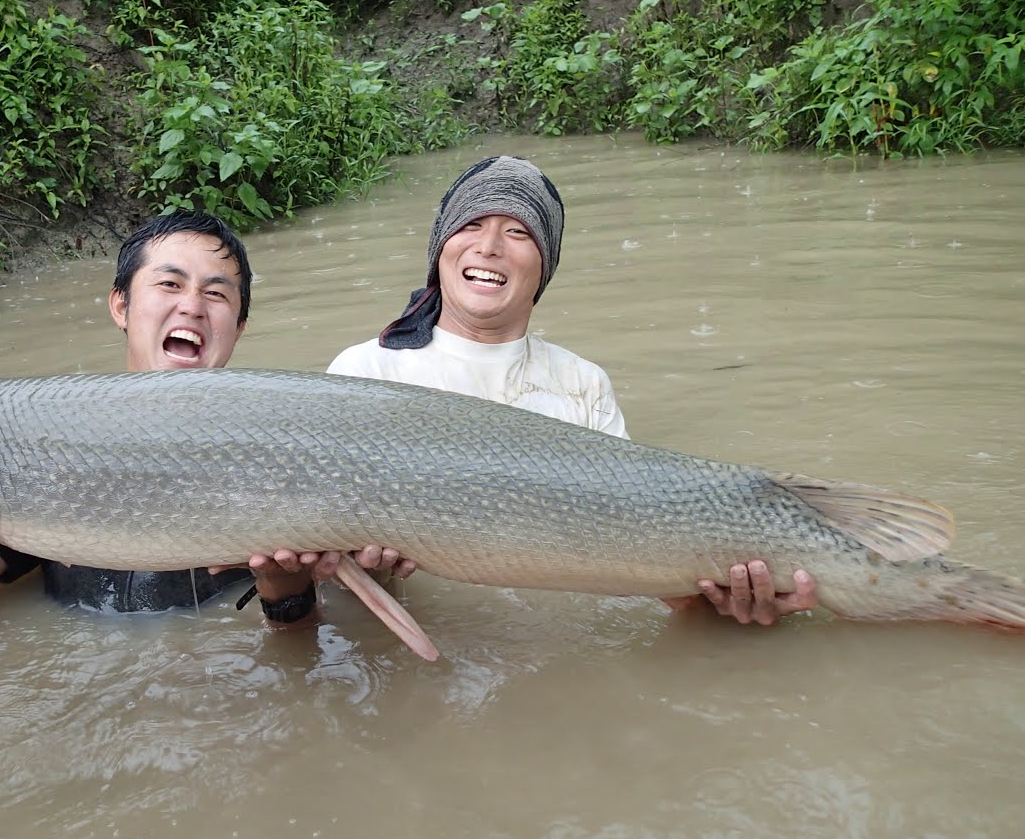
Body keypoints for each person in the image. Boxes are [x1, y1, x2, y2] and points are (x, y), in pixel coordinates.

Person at [0, 211, 362, 635]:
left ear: (239, 324)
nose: (191, 307)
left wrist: (287, 596)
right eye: (169, 284)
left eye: (217, 294)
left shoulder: (289, 455)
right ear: (121, 305)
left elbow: (309, 641)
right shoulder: (35, 443)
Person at [325, 154, 818, 626]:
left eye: (517, 231)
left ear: (546, 265)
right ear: (440, 249)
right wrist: (361, 569)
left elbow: (637, 556)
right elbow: (327, 573)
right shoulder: (365, 371)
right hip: (438, 650)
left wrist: (716, 602)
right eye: (471, 224)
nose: (489, 246)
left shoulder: (581, 384)